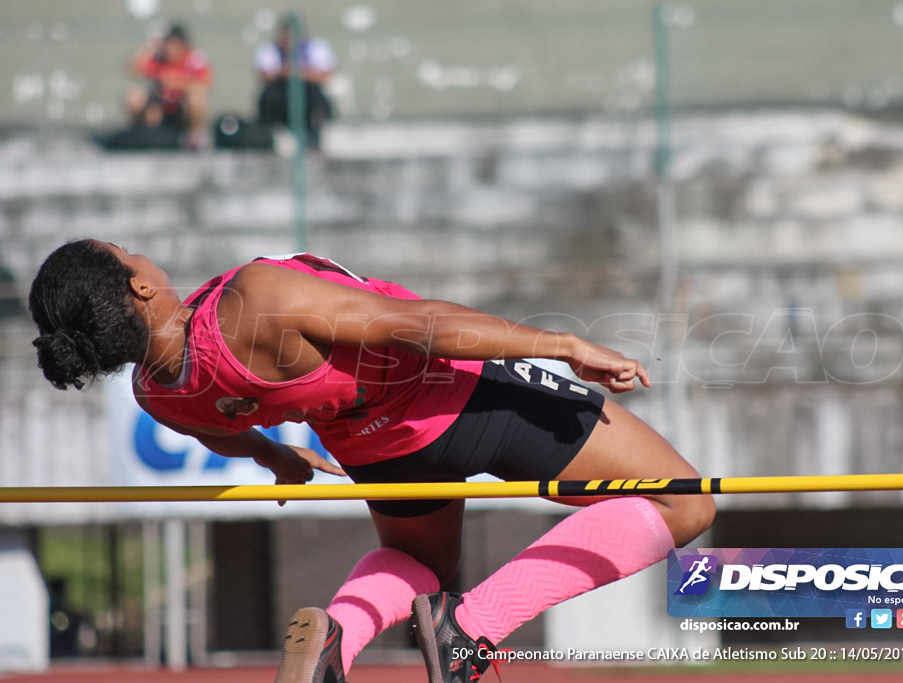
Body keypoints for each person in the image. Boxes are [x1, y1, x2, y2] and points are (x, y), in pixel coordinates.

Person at [29, 240, 716, 683]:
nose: (145, 254)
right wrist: (561, 343)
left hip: (377, 447)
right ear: (139, 288)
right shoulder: (254, 301)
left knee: (424, 568)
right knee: (682, 501)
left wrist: (273, 455)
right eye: (128, 253)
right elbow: (418, 327)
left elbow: (220, 432)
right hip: (470, 393)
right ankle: (473, 625)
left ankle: (340, 632)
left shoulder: (160, 392)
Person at [126, 23, 212, 150]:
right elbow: (132, 69)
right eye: (168, 43)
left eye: (174, 44)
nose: (170, 48)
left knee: (196, 98)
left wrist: (176, 82)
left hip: (181, 108)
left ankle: (194, 138)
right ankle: (141, 136)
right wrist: (149, 46)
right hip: (160, 108)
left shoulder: (192, 59)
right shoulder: (159, 59)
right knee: (134, 95)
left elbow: (205, 83)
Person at [255, 17, 336, 149]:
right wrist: (287, 73)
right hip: (279, 95)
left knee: (316, 100)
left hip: (308, 94)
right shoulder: (270, 49)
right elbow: (264, 74)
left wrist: (298, 73)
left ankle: (313, 140)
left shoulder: (316, 47)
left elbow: (325, 74)